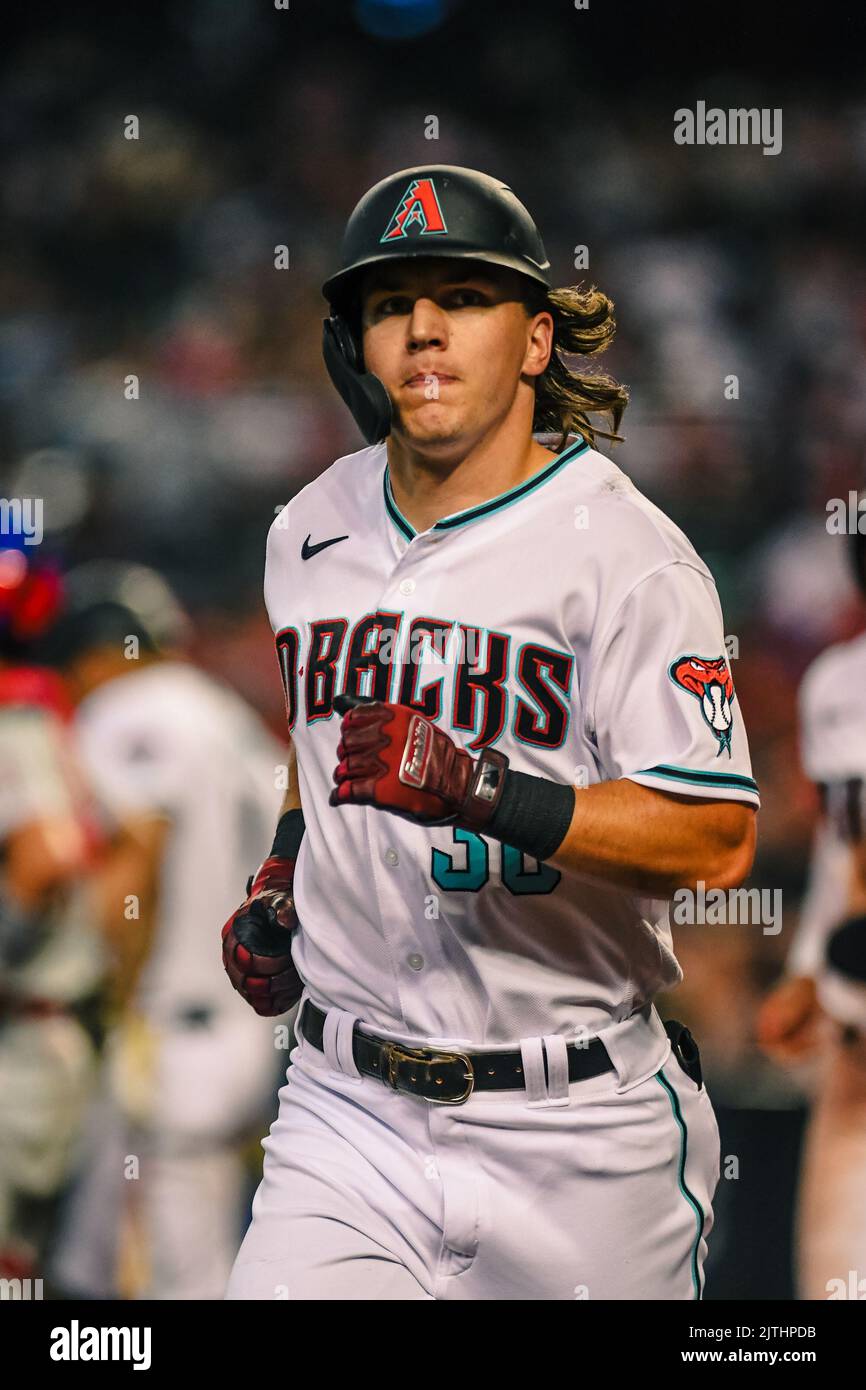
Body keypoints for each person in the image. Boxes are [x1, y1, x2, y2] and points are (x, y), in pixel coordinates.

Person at [222, 165, 759, 1301]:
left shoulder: (629, 553)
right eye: (387, 303)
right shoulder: (306, 527)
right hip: (346, 1114)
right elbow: (319, 739)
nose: (421, 328)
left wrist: (484, 790)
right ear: (353, 345)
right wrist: (285, 868)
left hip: (578, 1135)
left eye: (461, 295)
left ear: (532, 340)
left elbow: (713, 836)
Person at [44, 562, 290, 1300]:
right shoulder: (222, 714)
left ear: (96, 653)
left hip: (163, 1034)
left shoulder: (128, 710)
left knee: (170, 1282)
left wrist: (117, 1000)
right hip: (243, 1026)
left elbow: (139, 859)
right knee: (111, 1262)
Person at [757, 526, 866, 1300]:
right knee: (834, 1275)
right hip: (854, 1004)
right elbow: (840, 846)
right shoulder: (836, 682)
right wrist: (805, 967)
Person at [0, 538, 104, 1280]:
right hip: (49, 1027)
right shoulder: (42, 706)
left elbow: (43, 861)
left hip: (26, 1036)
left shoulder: (14, 721)